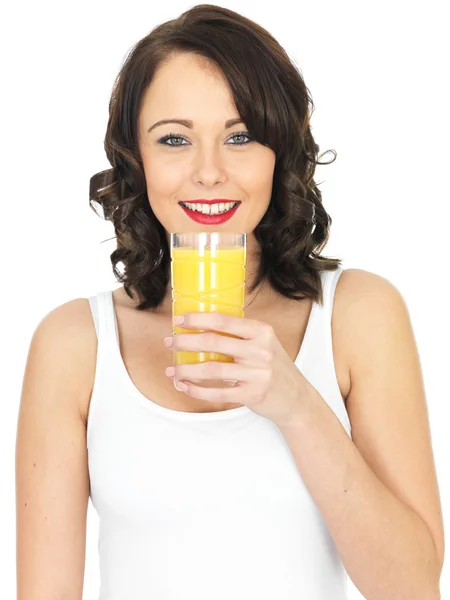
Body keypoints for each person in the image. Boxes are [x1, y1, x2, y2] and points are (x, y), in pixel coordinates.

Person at [15, 4, 444, 600]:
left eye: (240, 136)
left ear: (280, 151)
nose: (209, 172)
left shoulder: (358, 315)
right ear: (136, 161)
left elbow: (414, 587)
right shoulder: (74, 343)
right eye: (174, 139)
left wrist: (296, 403)